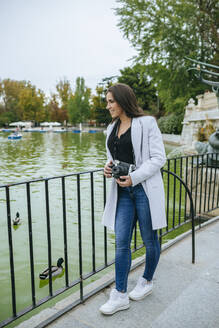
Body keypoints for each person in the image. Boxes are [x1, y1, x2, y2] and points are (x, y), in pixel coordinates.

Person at [99, 83, 167, 315]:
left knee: (150, 240)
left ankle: (146, 280)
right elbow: (112, 158)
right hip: (122, 193)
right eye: (107, 101)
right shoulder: (110, 129)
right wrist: (107, 168)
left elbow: (159, 158)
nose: (107, 106)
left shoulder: (146, 123)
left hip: (144, 190)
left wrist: (134, 177)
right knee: (121, 243)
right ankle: (119, 294)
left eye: (111, 101)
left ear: (123, 100)